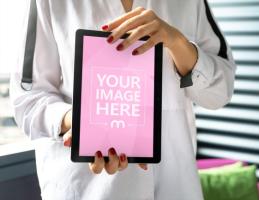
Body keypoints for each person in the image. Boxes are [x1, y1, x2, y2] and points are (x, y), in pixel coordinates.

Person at [10, 0, 236, 199]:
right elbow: (27, 99)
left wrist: (178, 43)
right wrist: (81, 123)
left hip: (176, 187)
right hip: (85, 189)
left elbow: (221, 91)